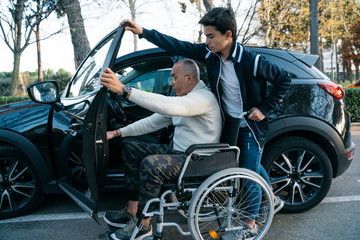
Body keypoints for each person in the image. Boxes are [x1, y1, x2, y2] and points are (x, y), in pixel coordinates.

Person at [120, 6, 291, 238]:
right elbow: (178, 45)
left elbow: (284, 80)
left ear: (228, 35)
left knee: (249, 172)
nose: (206, 41)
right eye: (205, 36)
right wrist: (144, 32)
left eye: (210, 36)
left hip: (250, 126)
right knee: (253, 167)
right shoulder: (210, 55)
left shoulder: (252, 61)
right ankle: (270, 197)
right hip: (230, 125)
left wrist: (264, 108)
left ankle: (250, 227)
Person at [100, 59, 222, 240]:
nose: (170, 83)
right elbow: (152, 122)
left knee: (152, 164)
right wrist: (118, 133)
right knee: (130, 147)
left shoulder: (203, 98)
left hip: (196, 161)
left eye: (174, 78)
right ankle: (132, 210)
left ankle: (144, 225)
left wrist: (125, 90)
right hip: (179, 154)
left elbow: (168, 105)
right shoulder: (185, 98)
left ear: (189, 78)